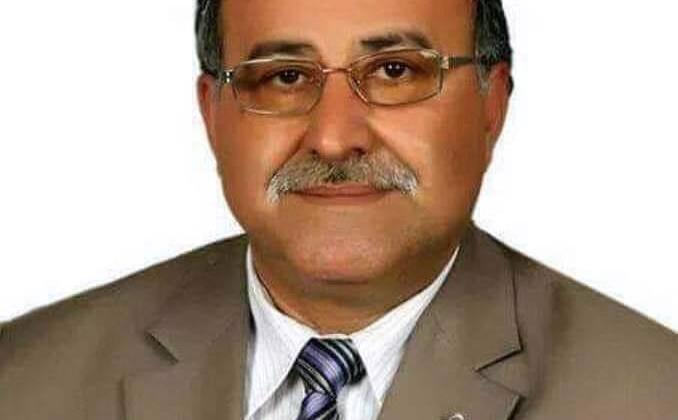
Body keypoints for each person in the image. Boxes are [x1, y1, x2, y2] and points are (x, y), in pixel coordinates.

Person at [1, 0, 676, 418]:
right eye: (284, 77)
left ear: (491, 105)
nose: (332, 136)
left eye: (395, 71)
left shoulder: (653, 395)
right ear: (212, 115)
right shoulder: (21, 384)